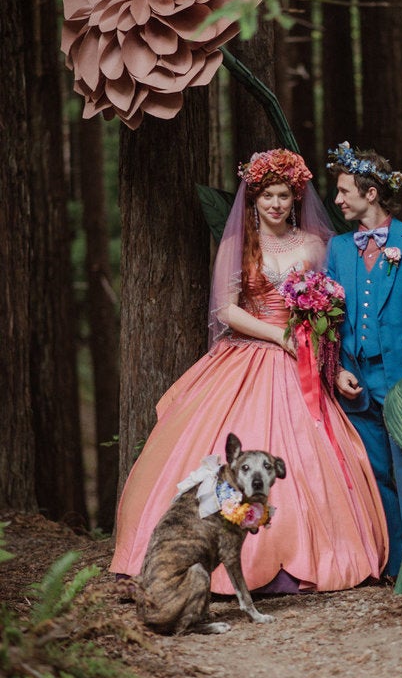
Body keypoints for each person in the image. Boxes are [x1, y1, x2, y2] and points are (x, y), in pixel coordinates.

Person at [110, 148, 387, 594]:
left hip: (302, 361)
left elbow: (331, 312)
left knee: (311, 454)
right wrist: (276, 336)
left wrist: (320, 357)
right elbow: (226, 310)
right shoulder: (239, 245)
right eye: (267, 197)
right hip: (249, 354)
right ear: (253, 199)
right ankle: (193, 554)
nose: (276, 205)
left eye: (283, 196)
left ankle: (305, 555)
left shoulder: (316, 245)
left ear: (295, 198)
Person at [326, 142, 402, 592]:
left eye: (344, 191)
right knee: (376, 476)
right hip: (357, 379)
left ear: (371, 193)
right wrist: (337, 369)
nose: (337, 200)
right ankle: (398, 569)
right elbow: (329, 319)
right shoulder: (338, 249)